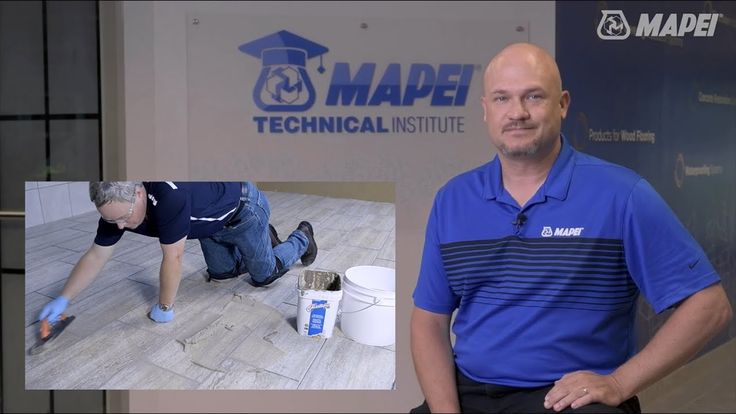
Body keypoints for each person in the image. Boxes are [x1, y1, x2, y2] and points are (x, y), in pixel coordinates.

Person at [410, 43, 732, 413]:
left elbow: (710, 307)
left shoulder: (622, 195)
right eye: (502, 98)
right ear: (486, 109)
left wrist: (618, 383)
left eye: (533, 96)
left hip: (568, 401)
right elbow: (429, 321)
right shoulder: (453, 199)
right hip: (470, 394)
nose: (517, 112)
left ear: (562, 104)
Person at [38, 181, 317, 324]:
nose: (120, 226)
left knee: (263, 276)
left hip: (244, 210)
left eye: (123, 217)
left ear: (138, 193)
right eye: (112, 220)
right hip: (210, 226)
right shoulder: (118, 209)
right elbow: (96, 255)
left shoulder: (169, 197)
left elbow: (173, 257)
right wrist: (64, 298)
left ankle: (301, 238)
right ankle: (262, 241)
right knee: (223, 274)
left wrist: (165, 307)